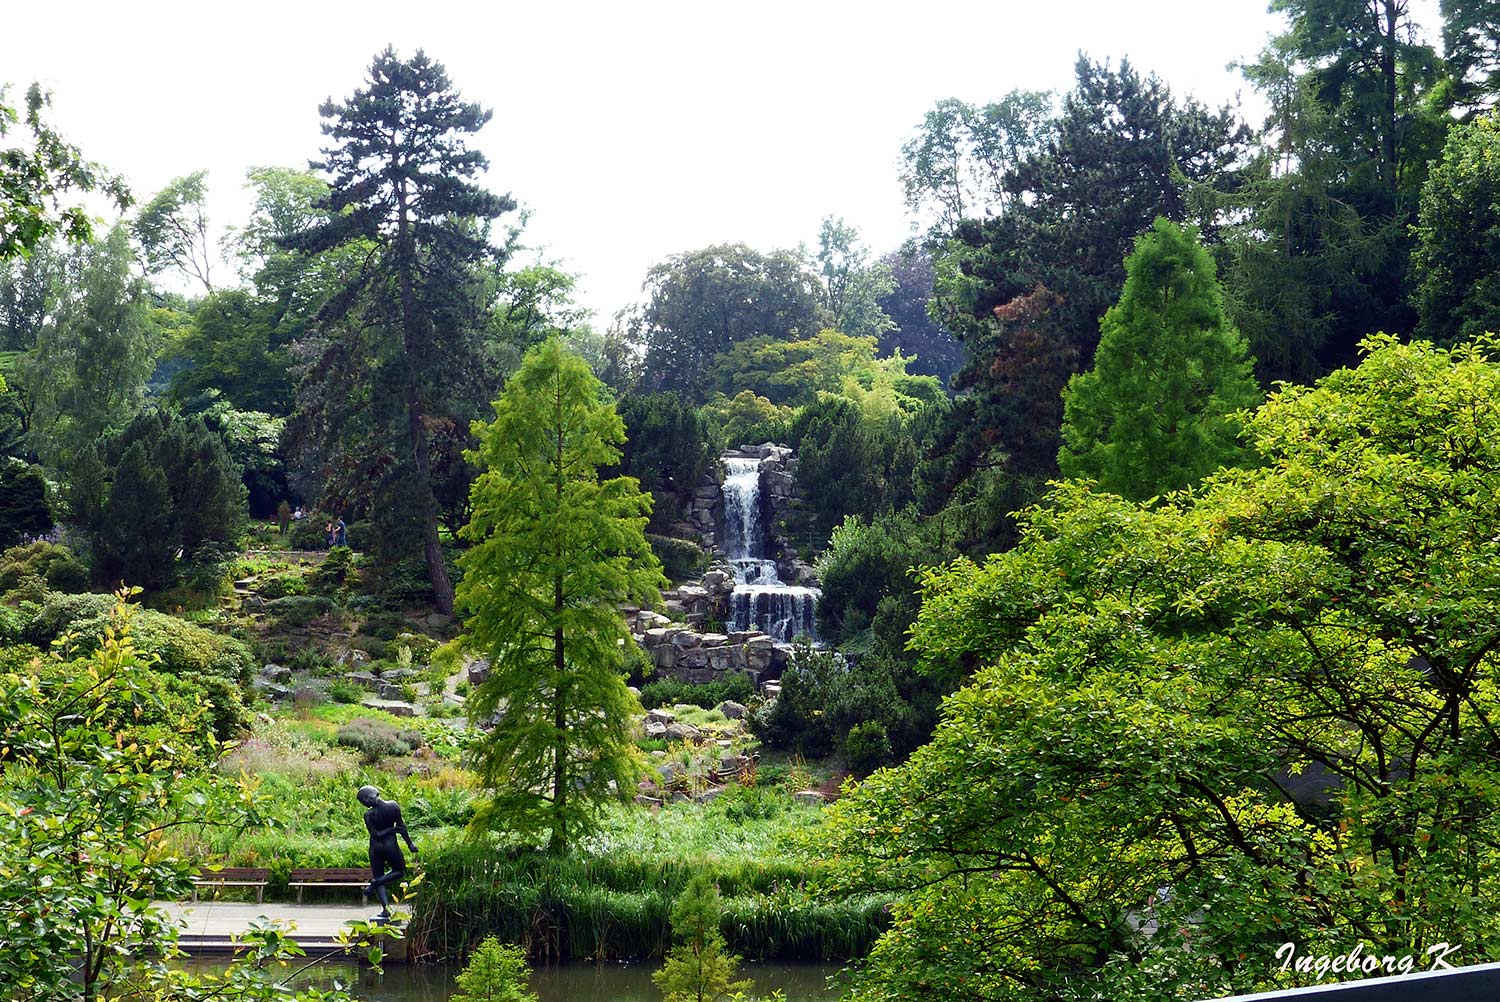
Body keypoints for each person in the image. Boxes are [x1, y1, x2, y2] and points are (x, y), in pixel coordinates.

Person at [357, 785, 417, 921]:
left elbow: (380, 833)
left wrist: (409, 843)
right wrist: (409, 843)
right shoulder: (391, 807)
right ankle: (384, 907)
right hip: (388, 845)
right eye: (363, 801)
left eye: (366, 798)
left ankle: (376, 886)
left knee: (384, 876)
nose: (365, 802)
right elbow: (399, 828)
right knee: (399, 871)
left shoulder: (374, 813)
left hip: (376, 848)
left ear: (374, 794)